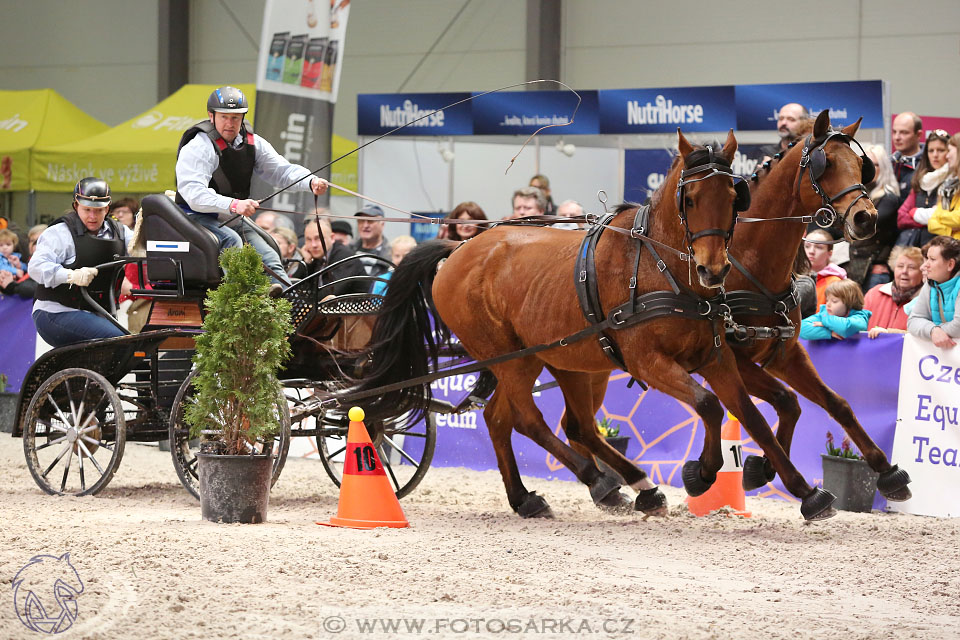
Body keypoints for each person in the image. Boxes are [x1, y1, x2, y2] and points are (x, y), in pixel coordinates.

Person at [174, 86, 327, 293]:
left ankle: (290, 309)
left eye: (236, 118)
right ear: (212, 116)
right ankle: (247, 301)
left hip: (229, 218)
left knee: (270, 255)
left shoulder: (253, 143)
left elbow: (281, 171)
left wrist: (310, 181)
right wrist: (234, 204)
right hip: (195, 218)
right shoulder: (198, 147)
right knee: (232, 241)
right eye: (224, 117)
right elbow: (194, 194)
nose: (230, 123)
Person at [28, 178, 133, 347]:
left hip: (97, 313)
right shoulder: (59, 233)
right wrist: (71, 275)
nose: (92, 216)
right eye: (87, 209)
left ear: (107, 208)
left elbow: (140, 249)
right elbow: (36, 267)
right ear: (76, 206)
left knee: (139, 349)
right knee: (119, 341)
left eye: (98, 210)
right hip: (55, 313)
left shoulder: (121, 232)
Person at [846, 144, 901, 289]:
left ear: (883, 167)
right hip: (854, 266)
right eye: (866, 164)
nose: (870, 169)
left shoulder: (889, 197)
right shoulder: (859, 196)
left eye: (875, 164)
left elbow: (865, 224)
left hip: (874, 269)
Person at [896, 129, 951, 248]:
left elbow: (946, 217)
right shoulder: (921, 180)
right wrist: (927, 220)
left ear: (950, 152)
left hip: (942, 250)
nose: (935, 155)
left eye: (941, 150)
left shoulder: (953, 181)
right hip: (915, 249)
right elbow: (901, 217)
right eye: (931, 151)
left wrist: (915, 213)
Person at [907, 236, 960, 348]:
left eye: (932, 259)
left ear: (950, 264)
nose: (926, 265)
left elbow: (958, 326)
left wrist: (935, 331)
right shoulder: (930, 284)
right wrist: (933, 330)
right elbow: (913, 321)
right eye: (927, 258)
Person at [865, 246, 924, 338]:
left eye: (911, 268)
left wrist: (889, 333)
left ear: (923, 272)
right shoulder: (874, 293)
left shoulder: (926, 301)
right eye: (900, 266)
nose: (904, 271)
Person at [303, 213, 367, 294]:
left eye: (318, 238)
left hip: (357, 305)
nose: (313, 245)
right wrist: (306, 262)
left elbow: (331, 293)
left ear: (332, 238)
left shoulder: (345, 257)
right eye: (308, 239)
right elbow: (295, 287)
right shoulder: (315, 257)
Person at [800, 279, 870, 341]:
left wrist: (825, 322)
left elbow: (847, 327)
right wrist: (829, 332)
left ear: (849, 303)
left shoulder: (860, 316)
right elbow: (801, 328)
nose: (828, 304)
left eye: (834, 301)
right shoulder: (824, 314)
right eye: (827, 300)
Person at [927, 133, 960, 240]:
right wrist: (950, 229)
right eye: (931, 150)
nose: (947, 156)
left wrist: (938, 214)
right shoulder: (951, 186)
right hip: (952, 246)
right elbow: (931, 224)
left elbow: (957, 219)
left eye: (949, 150)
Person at [804, 229, 846, 306]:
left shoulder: (835, 282)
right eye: (807, 246)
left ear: (829, 254)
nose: (811, 251)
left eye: (819, 247)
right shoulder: (794, 277)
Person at [890, 112, 924, 206]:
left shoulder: (929, 165)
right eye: (894, 132)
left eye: (904, 132)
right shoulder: (888, 164)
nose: (897, 137)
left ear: (919, 135)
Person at [351, 204, 391, 276]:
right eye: (361, 221)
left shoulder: (391, 254)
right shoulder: (349, 249)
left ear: (382, 224)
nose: (365, 225)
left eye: (370, 221)